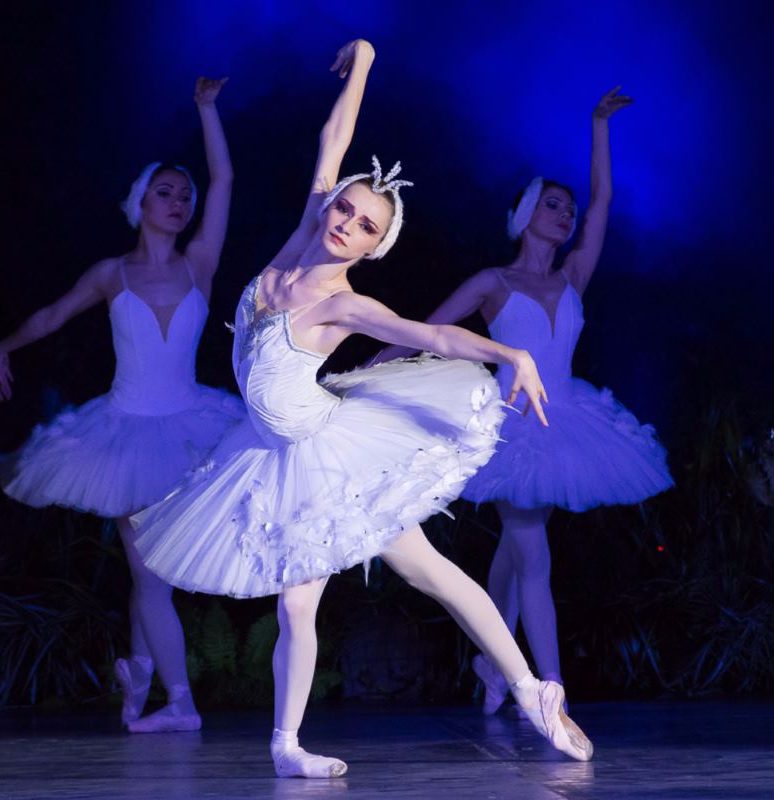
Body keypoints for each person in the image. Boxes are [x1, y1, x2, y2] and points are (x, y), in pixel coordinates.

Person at [131, 40, 593, 777]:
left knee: (423, 572)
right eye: (344, 208)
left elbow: (432, 335)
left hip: (326, 455)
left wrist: (511, 353)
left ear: (376, 247)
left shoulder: (344, 301)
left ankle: (533, 690)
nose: (346, 223)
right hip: (271, 450)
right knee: (307, 602)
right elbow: (335, 139)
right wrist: (367, 63)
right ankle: (287, 746)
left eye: (366, 225)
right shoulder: (299, 239)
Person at [373, 87, 673, 714]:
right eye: (553, 205)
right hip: (509, 428)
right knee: (532, 548)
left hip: (568, 423)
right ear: (527, 212)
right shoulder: (493, 281)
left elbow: (603, 203)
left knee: (518, 547)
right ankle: (547, 691)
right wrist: (365, 370)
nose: (566, 214)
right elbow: (427, 330)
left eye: (568, 209)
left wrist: (598, 125)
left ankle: (491, 661)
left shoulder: (573, 276)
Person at [0, 77, 244, 732]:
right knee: (151, 572)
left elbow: (223, 181)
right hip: (126, 434)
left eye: (183, 196)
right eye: (166, 192)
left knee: (152, 572)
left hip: (190, 430)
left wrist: (207, 110)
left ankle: (141, 676)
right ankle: (176, 702)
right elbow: (52, 315)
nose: (179, 202)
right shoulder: (112, 273)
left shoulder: (199, 263)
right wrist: (4, 347)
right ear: (139, 202)